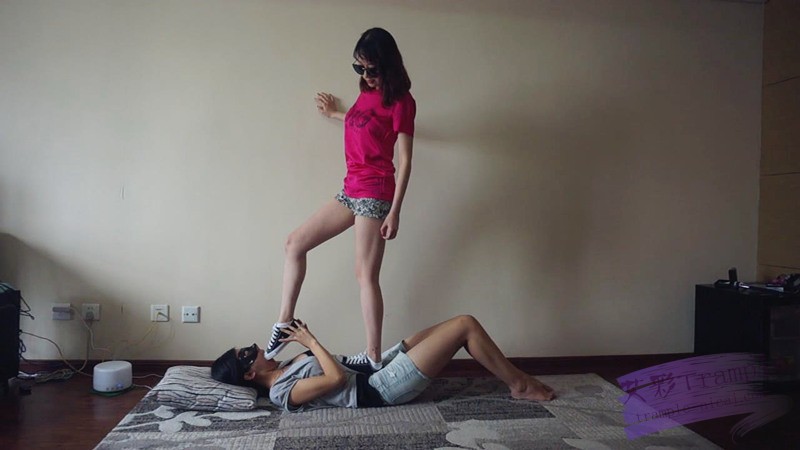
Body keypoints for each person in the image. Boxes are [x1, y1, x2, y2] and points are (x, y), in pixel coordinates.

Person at [264, 27, 417, 372]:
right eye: (359, 68)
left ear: (388, 65)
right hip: (351, 188)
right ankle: (284, 322)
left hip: (376, 190)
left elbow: (406, 160)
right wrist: (335, 113)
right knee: (294, 243)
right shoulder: (366, 93)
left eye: (372, 69)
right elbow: (361, 123)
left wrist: (395, 211)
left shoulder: (402, 102)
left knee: (364, 275)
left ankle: (373, 356)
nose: (365, 75)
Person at [212, 316, 556, 412]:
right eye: (250, 352)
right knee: (464, 326)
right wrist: (311, 341)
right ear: (250, 373)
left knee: (443, 327)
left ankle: (518, 379)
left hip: (374, 370)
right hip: (379, 389)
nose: (259, 347)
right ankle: (520, 385)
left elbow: (343, 364)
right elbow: (334, 379)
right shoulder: (281, 393)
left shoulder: (285, 366)